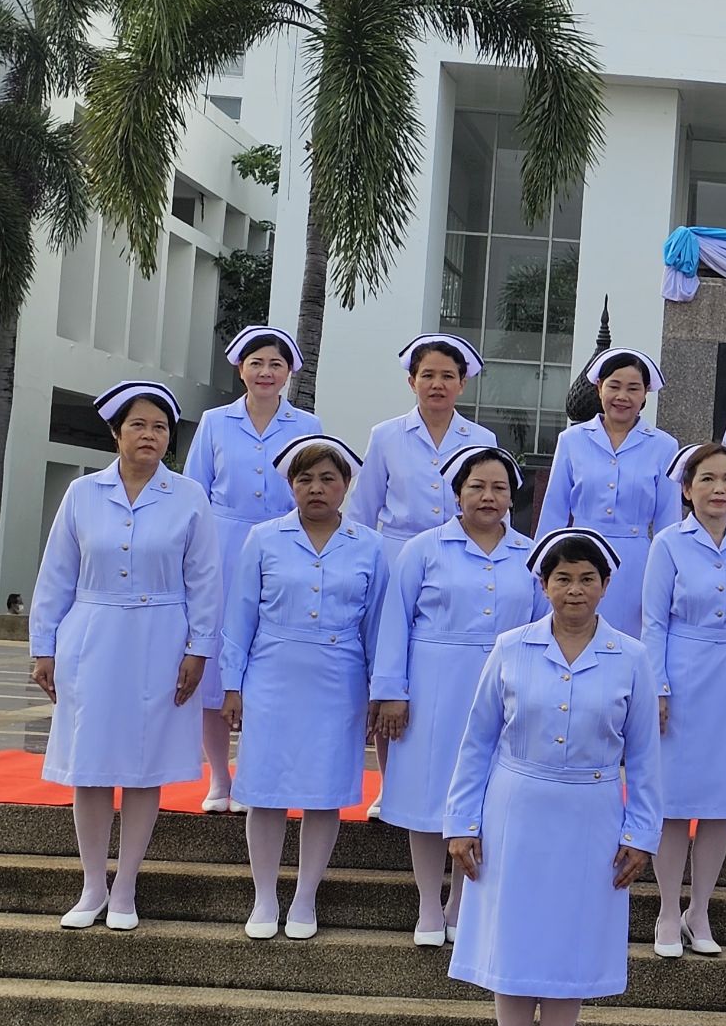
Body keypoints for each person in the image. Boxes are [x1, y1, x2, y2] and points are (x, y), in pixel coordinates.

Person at [447, 525, 660, 1026]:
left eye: (586, 579)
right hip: (517, 808)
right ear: (543, 585)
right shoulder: (512, 647)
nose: (574, 590)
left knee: (568, 954)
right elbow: (476, 741)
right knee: (514, 950)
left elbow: (644, 756)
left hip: (591, 814)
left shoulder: (632, 657)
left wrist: (640, 834)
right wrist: (462, 822)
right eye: (562, 578)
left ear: (605, 586)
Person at [28, 380, 224, 930]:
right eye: (138, 425)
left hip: (162, 635)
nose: (150, 436)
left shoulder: (188, 497)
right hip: (92, 634)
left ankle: (127, 886)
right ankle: (92, 883)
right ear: (116, 432)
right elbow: (56, 575)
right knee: (90, 765)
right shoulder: (82, 494)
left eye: (160, 428)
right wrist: (43, 645)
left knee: (144, 766)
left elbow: (205, 581)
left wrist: (199, 649)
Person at [369, 444, 543, 945]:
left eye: (499, 488)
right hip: (433, 684)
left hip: (503, 687)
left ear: (513, 497)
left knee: (485, 797)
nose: (488, 497)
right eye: (477, 487)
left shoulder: (529, 553)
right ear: (457, 493)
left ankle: (461, 903)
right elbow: (395, 622)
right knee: (430, 797)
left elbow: (540, 628)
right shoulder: (424, 548)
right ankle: (427, 903)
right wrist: (391, 692)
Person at [223, 435, 390, 940]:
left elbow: (379, 625)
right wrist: (233, 685)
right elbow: (240, 616)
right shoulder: (264, 538)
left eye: (327, 479)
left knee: (324, 792)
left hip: (340, 678)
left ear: (346, 485)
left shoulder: (370, 545)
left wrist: (380, 690)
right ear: (290, 485)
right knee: (265, 789)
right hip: (273, 672)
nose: (316, 489)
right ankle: (264, 896)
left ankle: (305, 897)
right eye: (304, 479)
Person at [636, 442, 726, 958]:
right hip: (683, 669)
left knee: (720, 804)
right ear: (688, 489)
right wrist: (658, 687)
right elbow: (653, 622)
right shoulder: (668, 544)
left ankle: (701, 909)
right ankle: (669, 909)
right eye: (708, 480)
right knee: (674, 802)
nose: (720, 489)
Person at [181, 326, 324, 811]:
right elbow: (194, 492)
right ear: (240, 368)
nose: (266, 372)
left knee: (272, 659)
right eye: (256, 363)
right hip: (223, 545)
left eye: (276, 365)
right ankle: (220, 779)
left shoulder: (307, 425)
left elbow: (317, 491)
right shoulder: (215, 422)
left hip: (285, 545)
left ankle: (261, 777)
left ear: (289, 373)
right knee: (221, 656)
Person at [536, 346, 682, 637]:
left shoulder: (663, 446)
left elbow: (669, 521)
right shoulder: (572, 440)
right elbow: (553, 510)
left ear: (645, 395)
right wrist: (542, 565)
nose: (622, 397)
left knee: (628, 639)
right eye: (614, 386)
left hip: (637, 562)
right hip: (577, 554)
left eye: (633, 388)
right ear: (599, 387)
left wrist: (671, 574)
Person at [344, 334, 497, 565]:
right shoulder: (385, 436)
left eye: (448, 376)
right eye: (427, 375)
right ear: (412, 382)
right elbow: (363, 509)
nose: (437, 384)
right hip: (395, 556)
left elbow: (497, 508)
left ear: (462, 384)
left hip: (462, 557)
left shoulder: (482, 439)